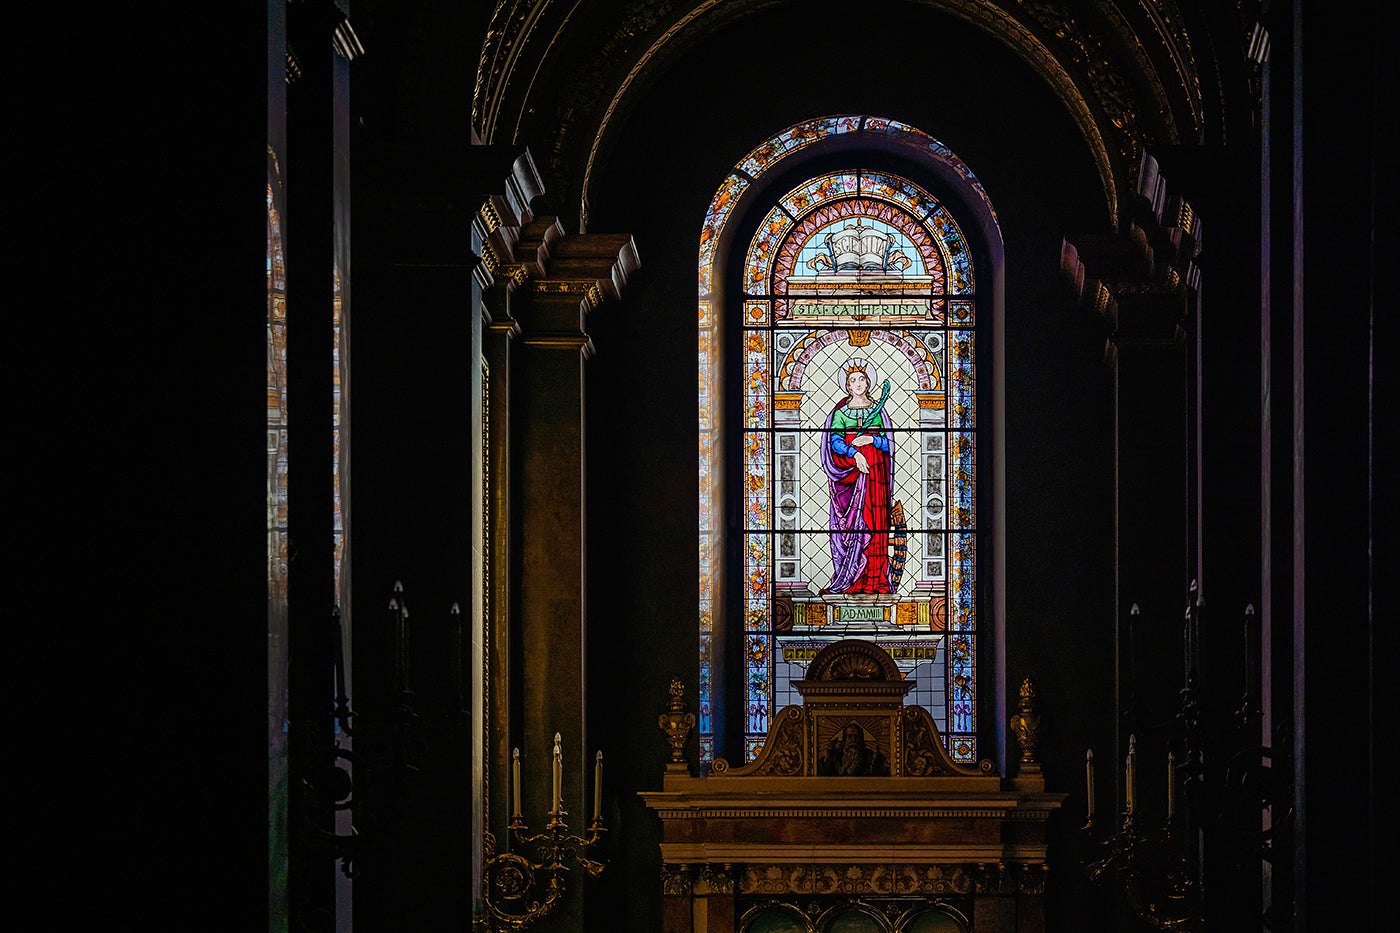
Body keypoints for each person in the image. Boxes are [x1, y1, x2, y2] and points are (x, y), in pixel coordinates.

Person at [821, 362, 894, 594]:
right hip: (852, 473)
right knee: (855, 524)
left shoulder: (878, 411)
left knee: (876, 523)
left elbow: (888, 442)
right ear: (847, 386)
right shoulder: (840, 414)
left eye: (861, 379)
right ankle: (852, 577)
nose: (858, 384)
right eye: (853, 380)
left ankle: (876, 578)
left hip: (876, 473)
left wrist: (872, 441)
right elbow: (835, 442)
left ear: (868, 382)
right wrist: (854, 453)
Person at [818, 723, 889, 776]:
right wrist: (826, 759)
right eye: (849, 736)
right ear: (844, 739)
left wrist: (876, 764)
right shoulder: (836, 756)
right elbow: (821, 774)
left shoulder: (869, 755)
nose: (853, 740)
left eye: (856, 736)